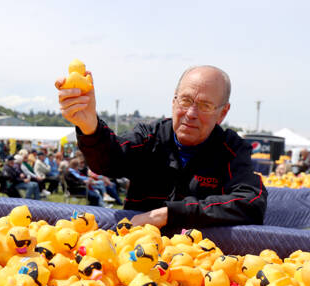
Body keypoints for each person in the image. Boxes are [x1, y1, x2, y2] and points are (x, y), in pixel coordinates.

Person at [56, 65, 267, 229]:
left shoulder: (231, 150)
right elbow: (109, 161)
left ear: (222, 113)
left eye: (205, 106)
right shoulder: (150, 137)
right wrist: (89, 126)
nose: (191, 113)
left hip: (201, 264)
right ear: (174, 102)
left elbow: (251, 201)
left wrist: (168, 214)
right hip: (137, 255)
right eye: (185, 100)